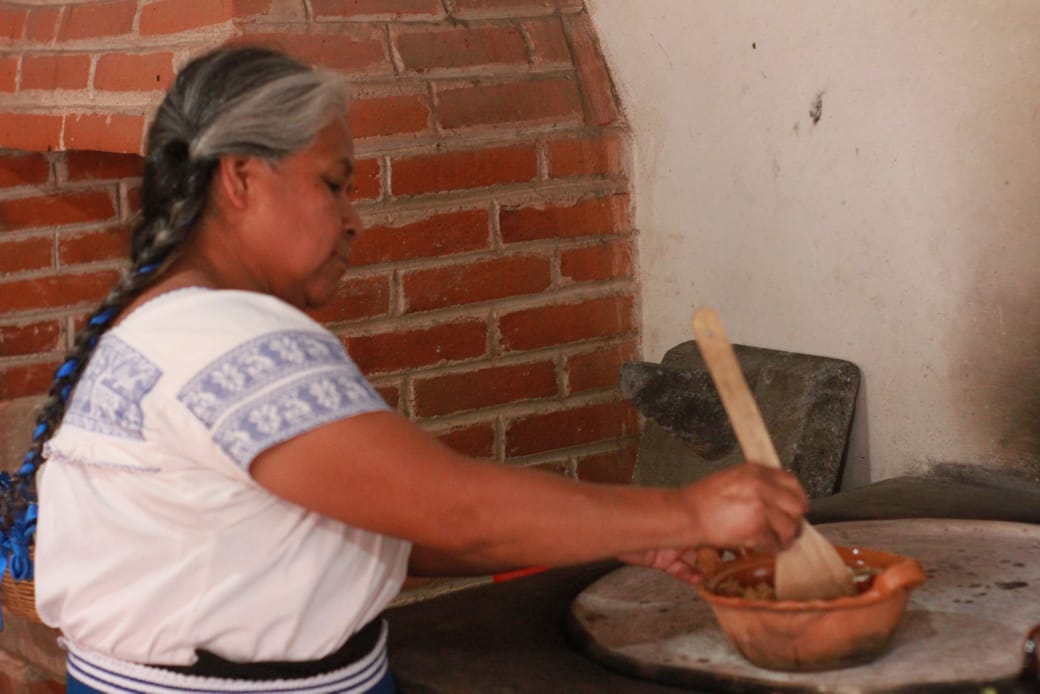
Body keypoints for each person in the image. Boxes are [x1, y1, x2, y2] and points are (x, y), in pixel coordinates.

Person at [14, 45, 809, 693]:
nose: (355, 217)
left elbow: (391, 528)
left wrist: (625, 530)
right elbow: (456, 512)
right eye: (334, 182)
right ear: (243, 178)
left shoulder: (156, 324)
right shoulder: (232, 339)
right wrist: (692, 513)